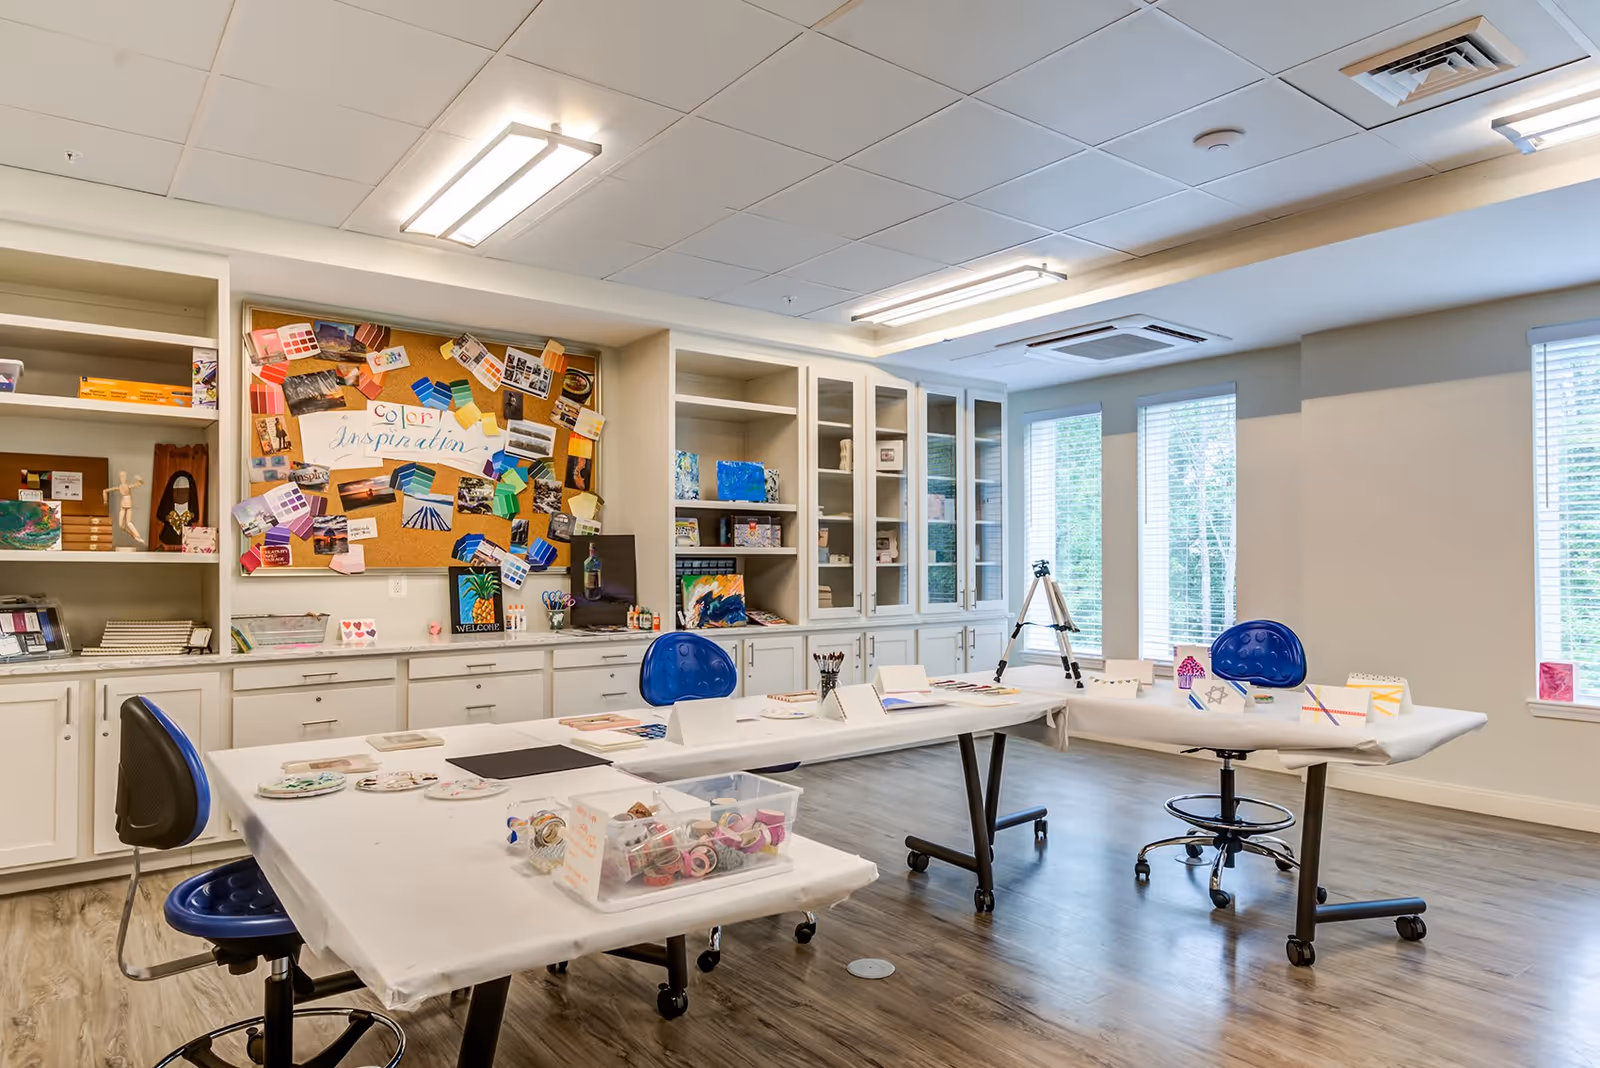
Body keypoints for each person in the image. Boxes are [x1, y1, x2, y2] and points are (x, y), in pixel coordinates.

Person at [102, 471, 147, 546]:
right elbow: (105, 491)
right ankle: (134, 535)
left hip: (128, 503)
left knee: (128, 522)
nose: (122, 478)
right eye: (121, 476)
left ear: (125, 478)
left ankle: (137, 536)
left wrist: (140, 479)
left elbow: (140, 483)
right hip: (123, 504)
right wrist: (105, 500)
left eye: (123, 476)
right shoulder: (119, 487)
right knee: (121, 525)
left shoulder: (128, 486)